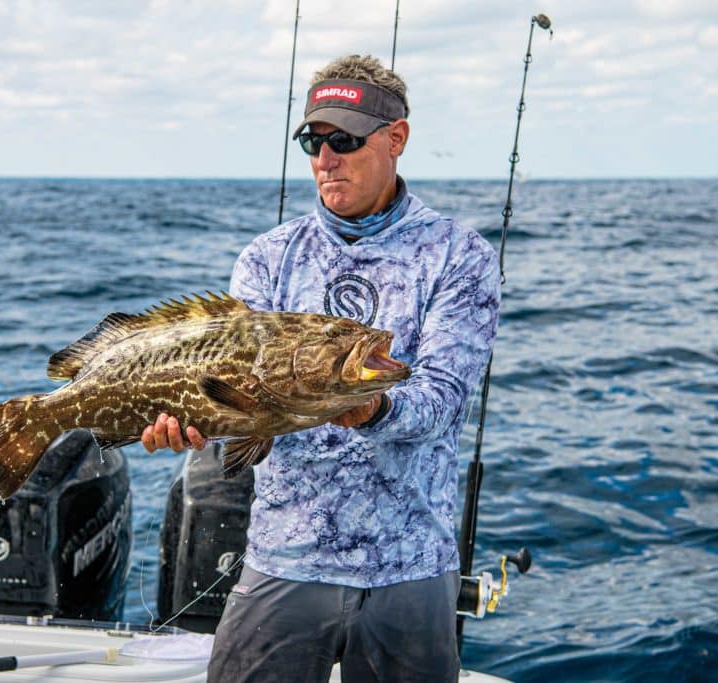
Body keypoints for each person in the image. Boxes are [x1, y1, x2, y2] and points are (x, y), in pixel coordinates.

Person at [141, 54, 500, 682]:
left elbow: (443, 397)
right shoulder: (267, 258)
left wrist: (371, 406)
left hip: (410, 566)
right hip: (285, 557)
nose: (325, 159)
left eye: (344, 140)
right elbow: (235, 398)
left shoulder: (459, 255)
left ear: (397, 139)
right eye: (313, 140)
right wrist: (189, 422)